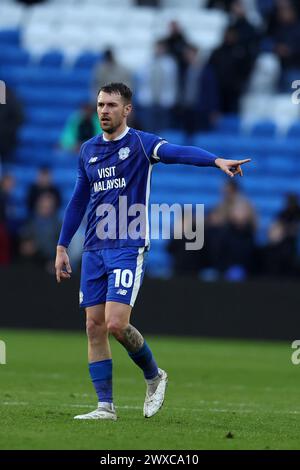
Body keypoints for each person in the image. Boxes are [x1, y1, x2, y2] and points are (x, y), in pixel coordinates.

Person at [55, 82, 250, 421]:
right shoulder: (87, 150)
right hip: (94, 248)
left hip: (128, 245)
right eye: (100, 104)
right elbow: (77, 201)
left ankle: (154, 376)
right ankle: (105, 407)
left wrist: (215, 160)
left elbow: (178, 152)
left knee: (116, 324)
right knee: (93, 326)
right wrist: (61, 245)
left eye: (111, 105)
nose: (103, 110)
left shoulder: (141, 144)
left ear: (126, 110)